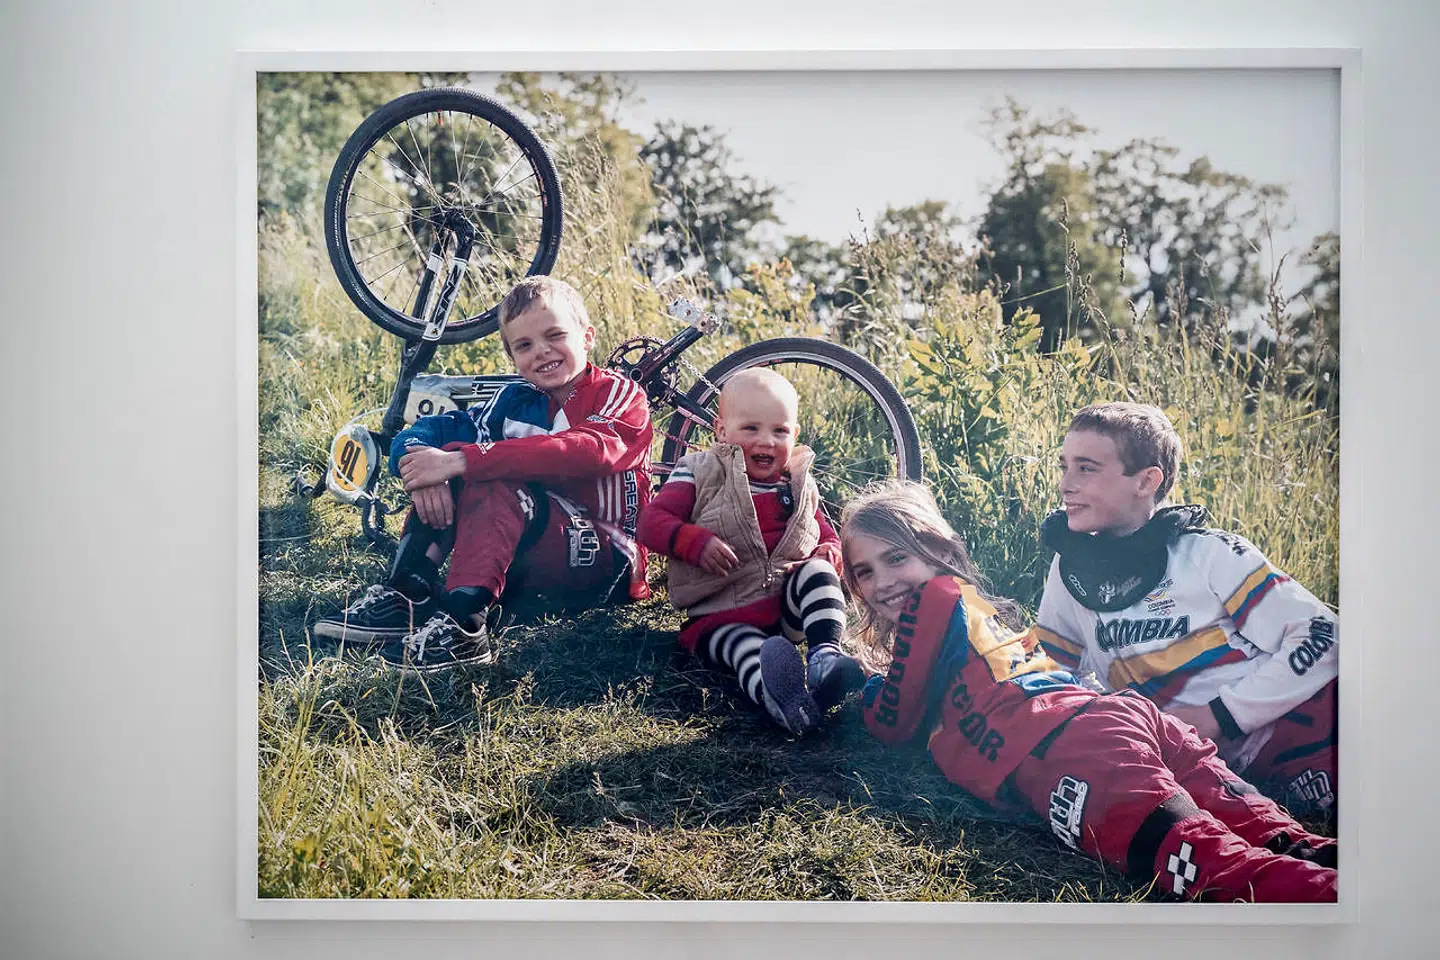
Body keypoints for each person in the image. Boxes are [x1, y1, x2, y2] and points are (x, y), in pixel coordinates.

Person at [842, 480, 1336, 903]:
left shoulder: (935, 597)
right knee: (1281, 837)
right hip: (1115, 719)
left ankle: (1352, 914)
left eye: (896, 558)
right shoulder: (968, 611)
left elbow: (893, 721)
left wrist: (851, 683)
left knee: (1214, 868)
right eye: (863, 571)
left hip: (1072, 750)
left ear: (943, 552)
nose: (883, 582)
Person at [313, 276, 652, 671]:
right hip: (535, 562)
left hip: (607, 563)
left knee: (485, 473)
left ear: (587, 337)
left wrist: (460, 461)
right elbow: (434, 431)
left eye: (555, 335)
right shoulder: (514, 400)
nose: (542, 352)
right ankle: (409, 594)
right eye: (524, 345)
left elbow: (589, 451)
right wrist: (425, 463)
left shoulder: (620, 394)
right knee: (457, 463)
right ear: (512, 357)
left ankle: (464, 626)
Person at [1034, 402, 1338, 814]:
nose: (1065, 484)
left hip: (1310, 719)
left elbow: (1324, 633)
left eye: (1086, 468)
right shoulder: (1069, 571)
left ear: (1146, 480)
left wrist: (1221, 716)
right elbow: (1051, 676)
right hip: (1218, 765)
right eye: (1064, 466)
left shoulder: (1207, 553)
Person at [637, 369, 866, 735]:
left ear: (795, 435)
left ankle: (825, 656)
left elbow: (824, 532)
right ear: (721, 430)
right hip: (718, 616)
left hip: (783, 610)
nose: (766, 441)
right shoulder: (699, 471)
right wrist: (694, 542)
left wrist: (827, 553)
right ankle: (783, 701)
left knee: (819, 572)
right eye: (751, 429)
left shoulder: (799, 484)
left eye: (780, 431)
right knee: (748, 651)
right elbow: (652, 522)